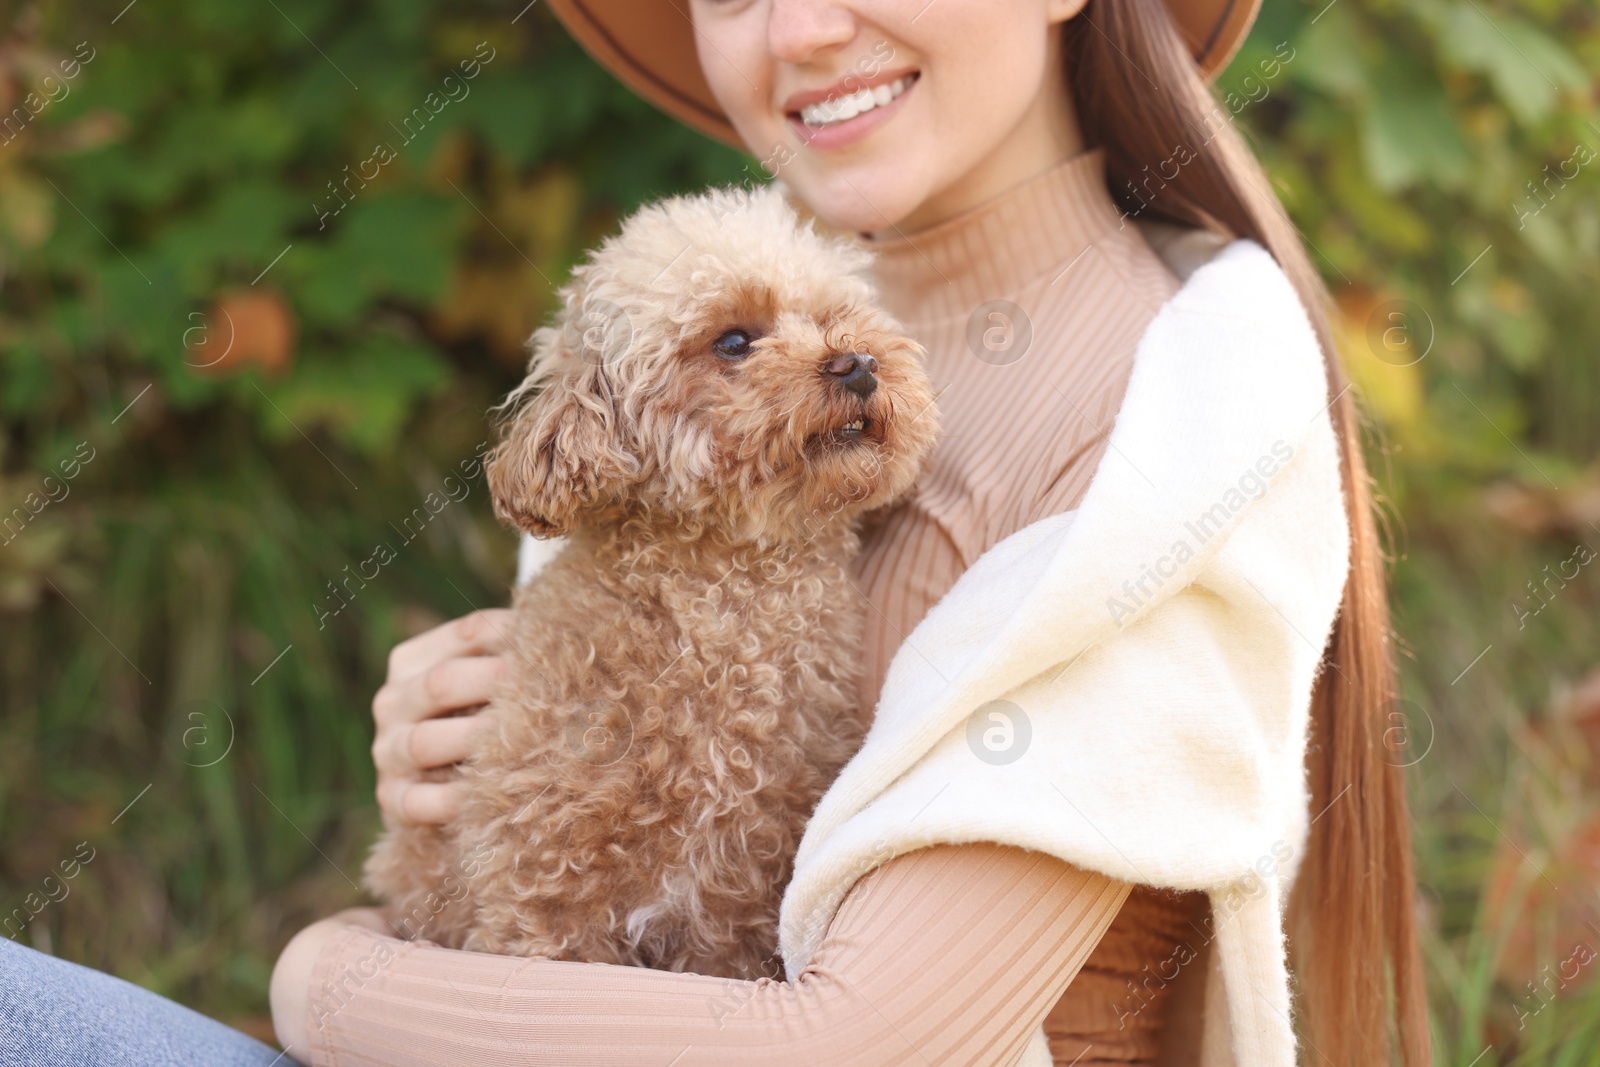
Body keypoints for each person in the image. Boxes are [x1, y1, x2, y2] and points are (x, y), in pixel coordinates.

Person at [0, 1, 1428, 1065]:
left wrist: (324, 979)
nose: (802, 27)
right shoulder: (740, 332)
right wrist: (459, 754)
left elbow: (854, 1045)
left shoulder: (1184, 409)